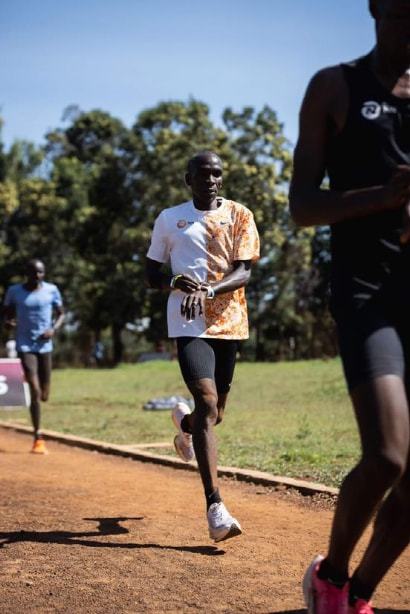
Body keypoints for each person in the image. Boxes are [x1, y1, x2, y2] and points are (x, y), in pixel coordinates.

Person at [289, 1, 410, 612]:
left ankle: (359, 595)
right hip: (366, 290)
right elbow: (303, 206)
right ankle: (330, 576)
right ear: (376, 6)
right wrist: (381, 198)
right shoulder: (334, 86)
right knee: (388, 454)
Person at [146, 151, 259, 542]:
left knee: (215, 414)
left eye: (217, 174)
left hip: (230, 323)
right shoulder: (168, 218)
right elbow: (151, 274)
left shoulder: (240, 215)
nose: (211, 179)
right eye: (203, 173)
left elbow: (244, 271)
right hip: (188, 321)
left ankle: (184, 427)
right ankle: (216, 507)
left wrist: (210, 289)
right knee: (208, 403)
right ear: (188, 178)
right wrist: (175, 283)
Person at [3, 259, 65, 454]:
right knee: (35, 391)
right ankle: (38, 436)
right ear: (27, 274)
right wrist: (8, 322)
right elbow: (5, 313)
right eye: (34, 273)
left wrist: (53, 329)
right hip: (25, 345)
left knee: (45, 393)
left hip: (45, 345)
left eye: (41, 273)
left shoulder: (52, 290)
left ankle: (40, 390)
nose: (38, 276)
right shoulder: (14, 292)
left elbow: (61, 313)